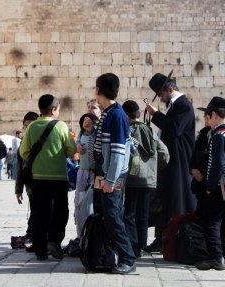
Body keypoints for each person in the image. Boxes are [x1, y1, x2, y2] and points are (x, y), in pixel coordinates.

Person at [144, 71, 196, 252]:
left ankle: (178, 238)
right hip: (169, 163)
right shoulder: (174, 106)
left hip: (179, 163)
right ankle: (162, 238)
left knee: (176, 200)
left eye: (161, 94)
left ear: (170, 89)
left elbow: (174, 129)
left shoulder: (184, 106)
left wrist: (156, 115)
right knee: (164, 202)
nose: (160, 98)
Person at [20, 94, 76, 261]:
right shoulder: (61, 126)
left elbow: (23, 152)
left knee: (39, 213)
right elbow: (72, 150)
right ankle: (54, 241)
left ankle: (40, 250)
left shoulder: (31, 127)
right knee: (60, 211)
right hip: (59, 177)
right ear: (53, 110)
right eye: (58, 109)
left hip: (38, 178)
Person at [93, 73, 136, 274]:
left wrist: (110, 180)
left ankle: (127, 257)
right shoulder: (110, 113)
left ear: (99, 90)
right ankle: (113, 253)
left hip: (113, 175)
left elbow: (119, 151)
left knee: (113, 216)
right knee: (109, 214)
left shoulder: (116, 115)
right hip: (106, 173)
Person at [122, 100, 170, 258]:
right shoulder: (150, 131)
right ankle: (142, 245)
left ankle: (133, 246)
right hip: (148, 179)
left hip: (132, 178)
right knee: (143, 214)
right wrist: (154, 168)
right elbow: (164, 153)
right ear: (137, 114)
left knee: (129, 213)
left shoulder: (126, 131)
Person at [195, 97, 225, 271]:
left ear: (213, 114)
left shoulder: (219, 135)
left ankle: (215, 257)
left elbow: (217, 165)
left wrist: (210, 187)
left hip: (219, 187)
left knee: (211, 221)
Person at [15, 111, 39, 251]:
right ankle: (35, 237)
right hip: (30, 183)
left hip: (45, 180)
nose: (27, 129)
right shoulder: (23, 143)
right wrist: (18, 189)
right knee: (35, 210)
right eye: (25, 126)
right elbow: (19, 167)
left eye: (30, 126)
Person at [74, 113, 99, 239]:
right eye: (84, 121)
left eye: (89, 121)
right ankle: (81, 235)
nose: (86, 122)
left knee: (93, 205)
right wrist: (77, 145)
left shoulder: (98, 135)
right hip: (83, 173)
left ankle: (93, 234)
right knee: (80, 203)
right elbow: (77, 140)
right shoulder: (81, 135)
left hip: (96, 174)